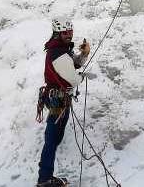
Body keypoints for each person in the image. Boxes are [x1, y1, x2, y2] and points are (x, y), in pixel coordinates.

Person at [36, 17, 90, 187]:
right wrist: (83, 77)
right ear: (57, 33)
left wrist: (84, 54)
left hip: (58, 98)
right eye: (65, 32)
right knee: (52, 137)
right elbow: (73, 78)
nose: (69, 35)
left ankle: (45, 176)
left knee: (54, 136)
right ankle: (44, 178)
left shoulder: (61, 50)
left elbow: (74, 64)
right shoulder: (58, 53)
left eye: (70, 32)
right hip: (57, 99)